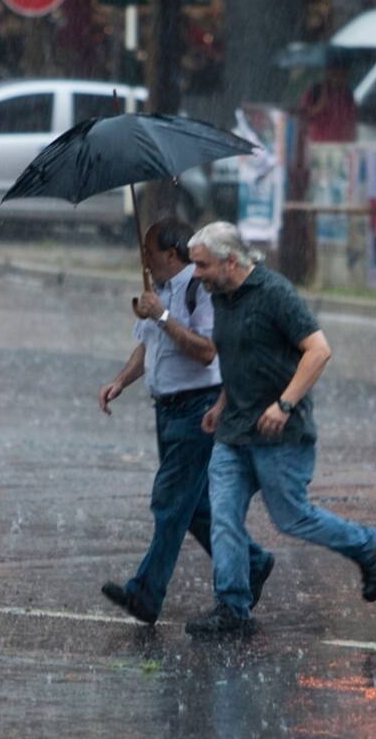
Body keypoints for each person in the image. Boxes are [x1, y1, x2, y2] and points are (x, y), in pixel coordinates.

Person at [183, 222, 376, 636]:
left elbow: (319, 350)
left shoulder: (274, 293)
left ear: (230, 261)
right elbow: (239, 358)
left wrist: (284, 404)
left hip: (280, 434)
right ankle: (232, 608)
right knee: (223, 517)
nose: (197, 274)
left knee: (292, 518)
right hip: (234, 432)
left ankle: (369, 544)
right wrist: (222, 405)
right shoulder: (220, 296)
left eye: (203, 265)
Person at [97, 218, 274, 625]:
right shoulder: (156, 293)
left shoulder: (199, 289)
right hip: (166, 410)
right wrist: (120, 381)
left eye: (150, 252)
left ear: (172, 254)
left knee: (170, 501)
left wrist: (162, 317)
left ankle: (145, 594)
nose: (144, 259)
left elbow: (208, 351)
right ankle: (253, 561)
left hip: (198, 409)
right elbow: (148, 345)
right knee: (193, 508)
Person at [298, 56, 358, 143]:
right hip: (318, 146)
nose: (340, 76)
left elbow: (352, 120)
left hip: (343, 146)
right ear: (328, 72)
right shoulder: (315, 92)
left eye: (344, 73)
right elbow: (302, 118)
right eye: (336, 72)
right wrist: (319, 106)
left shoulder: (348, 94)